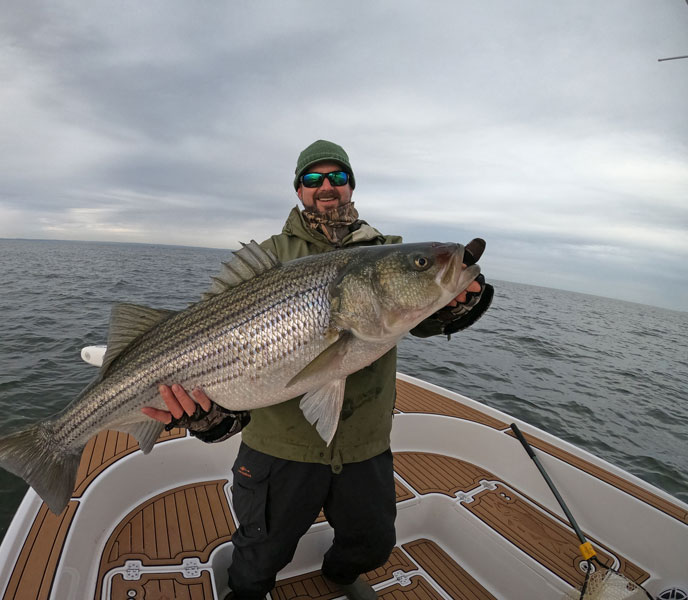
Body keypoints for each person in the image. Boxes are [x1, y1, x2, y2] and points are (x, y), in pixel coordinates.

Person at [141, 140, 493, 600]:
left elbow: (426, 317)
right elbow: (215, 348)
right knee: (259, 553)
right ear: (300, 190)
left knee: (372, 543)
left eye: (337, 177)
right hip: (278, 446)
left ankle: (340, 575)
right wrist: (207, 416)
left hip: (364, 442)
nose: (325, 186)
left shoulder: (384, 249)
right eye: (313, 179)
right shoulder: (271, 255)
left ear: (350, 185)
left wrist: (460, 302)